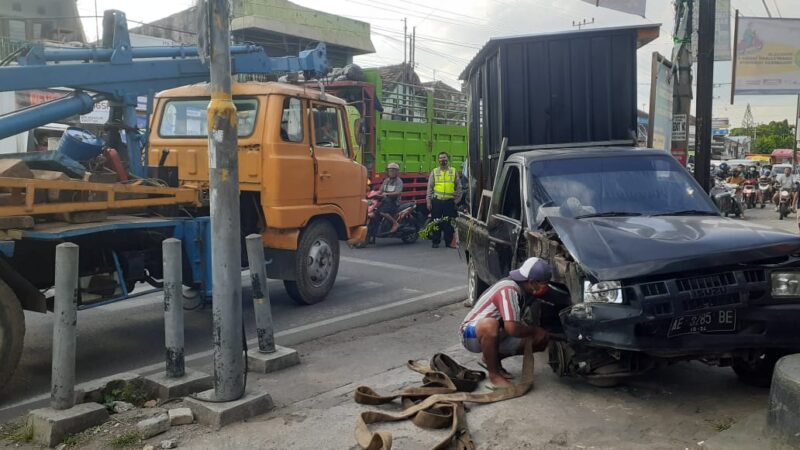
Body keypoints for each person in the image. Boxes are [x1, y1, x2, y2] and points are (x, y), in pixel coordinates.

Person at [460, 257, 552, 389]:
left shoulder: (524, 290)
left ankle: (492, 360)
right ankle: (494, 376)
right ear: (531, 282)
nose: (545, 287)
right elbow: (512, 329)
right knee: (490, 325)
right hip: (470, 334)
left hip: (498, 333)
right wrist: (534, 330)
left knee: (540, 340)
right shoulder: (508, 289)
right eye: (542, 284)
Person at [426, 152, 461, 248]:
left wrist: (456, 201)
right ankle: (435, 241)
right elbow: (430, 188)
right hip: (437, 201)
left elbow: (459, 187)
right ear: (438, 160)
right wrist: (428, 201)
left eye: (444, 157)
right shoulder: (434, 172)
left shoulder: (453, 171)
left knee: (448, 223)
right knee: (436, 221)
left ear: (447, 159)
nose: (442, 159)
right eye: (440, 158)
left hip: (449, 201)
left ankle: (448, 242)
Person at [378, 163, 404, 233]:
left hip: (394, 203)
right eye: (389, 171)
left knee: (382, 212)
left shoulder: (399, 181)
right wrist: (373, 193)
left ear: (397, 172)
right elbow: (380, 190)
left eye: (393, 171)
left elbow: (398, 193)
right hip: (386, 201)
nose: (391, 172)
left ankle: (395, 224)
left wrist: (387, 194)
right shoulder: (386, 180)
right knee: (375, 212)